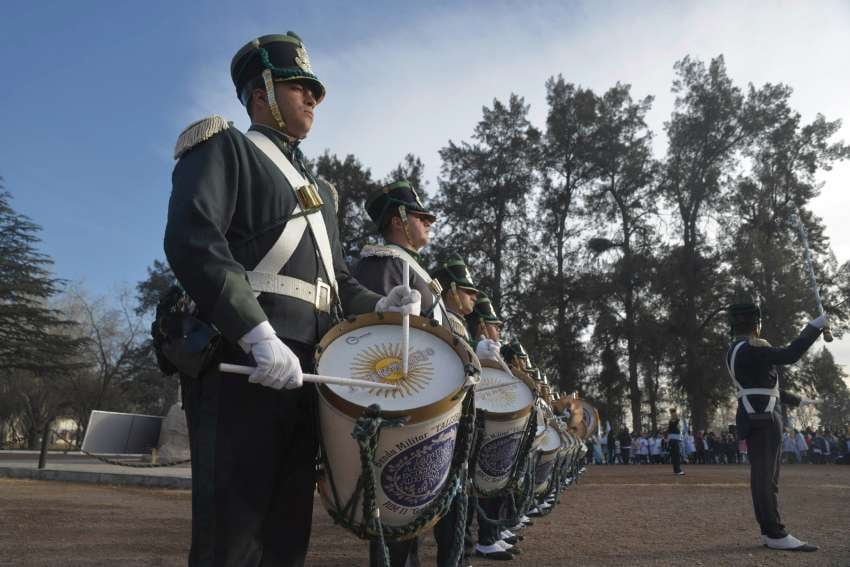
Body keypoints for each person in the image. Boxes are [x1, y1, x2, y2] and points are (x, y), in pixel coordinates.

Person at [164, 33, 419, 567]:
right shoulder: (223, 146)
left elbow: (337, 282)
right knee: (231, 533)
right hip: (243, 360)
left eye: (315, 91)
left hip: (308, 368)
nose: (313, 99)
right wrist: (257, 333)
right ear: (262, 93)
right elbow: (195, 240)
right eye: (301, 87)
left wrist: (383, 306)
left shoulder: (320, 191)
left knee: (287, 531)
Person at [352, 180, 439, 567]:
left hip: (427, 395)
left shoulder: (410, 266)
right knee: (397, 503)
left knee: (415, 503)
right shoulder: (382, 263)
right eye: (423, 217)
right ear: (400, 219)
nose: (430, 224)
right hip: (402, 397)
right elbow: (377, 340)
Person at [725, 302, 826, 552]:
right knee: (764, 477)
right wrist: (814, 327)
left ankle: (771, 530)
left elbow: (769, 386)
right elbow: (789, 355)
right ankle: (773, 532)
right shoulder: (749, 348)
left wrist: (799, 400)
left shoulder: (741, 349)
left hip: (761, 415)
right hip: (763, 417)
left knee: (767, 477)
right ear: (755, 323)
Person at [667, 409, 685, 475]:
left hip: (672, 440)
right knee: (676, 455)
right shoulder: (677, 421)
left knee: (674, 456)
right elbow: (680, 430)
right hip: (675, 440)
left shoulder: (671, 422)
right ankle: (678, 470)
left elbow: (669, 432)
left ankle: (676, 470)